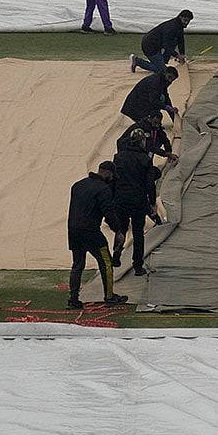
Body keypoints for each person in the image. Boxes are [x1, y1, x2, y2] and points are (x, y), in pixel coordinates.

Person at [66, 161, 129, 309]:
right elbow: (108, 212)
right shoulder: (103, 189)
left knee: (77, 264)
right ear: (107, 172)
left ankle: (73, 299)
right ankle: (109, 296)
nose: (112, 179)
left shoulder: (78, 185)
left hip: (73, 230)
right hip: (91, 232)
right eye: (112, 176)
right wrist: (118, 231)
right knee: (106, 262)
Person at [112, 129, 159, 276]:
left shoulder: (119, 157)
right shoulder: (145, 159)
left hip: (121, 198)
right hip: (137, 199)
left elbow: (114, 179)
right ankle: (138, 265)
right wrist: (152, 202)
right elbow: (149, 183)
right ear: (142, 143)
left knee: (121, 228)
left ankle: (117, 250)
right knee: (138, 234)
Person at [131, 9, 193, 74]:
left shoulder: (179, 26)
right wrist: (177, 55)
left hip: (157, 44)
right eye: (185, 20)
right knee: (162, 71)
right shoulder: (171, 27)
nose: (186, 23)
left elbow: (180, 40)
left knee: (174, 42)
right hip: (149, 46)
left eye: (188, 21)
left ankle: (162, 62)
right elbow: (166, 45)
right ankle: (137, 61)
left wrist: (182, 54)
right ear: (180, 17)